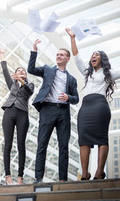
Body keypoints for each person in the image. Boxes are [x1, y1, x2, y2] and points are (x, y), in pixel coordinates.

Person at [65, 27, 120, 180]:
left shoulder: (108, 73)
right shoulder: (86, 72)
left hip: (100, 106)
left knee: (102, 137)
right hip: (86, 106)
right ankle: (85, 173)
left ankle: (99, 171)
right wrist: (72, 38)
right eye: (92, 55)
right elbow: (76, 56)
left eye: (97, 55)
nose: (93, 57)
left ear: (102, 59)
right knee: (83, 138)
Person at [27, 39, 79, 183]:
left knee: (64, 147)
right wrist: (34, 51)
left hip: (63, 112)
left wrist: (68, 97)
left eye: (62, 55)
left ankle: (63, 179)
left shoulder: (72, 79)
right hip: (47, 110)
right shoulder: (47, 70)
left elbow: (76, 99)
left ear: (68, 59)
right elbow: (31, 70)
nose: (58, 56)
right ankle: (38, 178)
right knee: (42, 144)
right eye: (57, 54)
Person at [0, 43, 35, 185]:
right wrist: (2, 54)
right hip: (9, 111)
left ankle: (20, 176)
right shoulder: (11, 84)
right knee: (7, 144)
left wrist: (20, 79)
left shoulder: (29, 85)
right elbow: (4, 68)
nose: (20, 72)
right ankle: (8, 176)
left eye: (23, 71)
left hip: (22, 114)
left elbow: (29, 92)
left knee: (21, 145)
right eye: (18, 70)